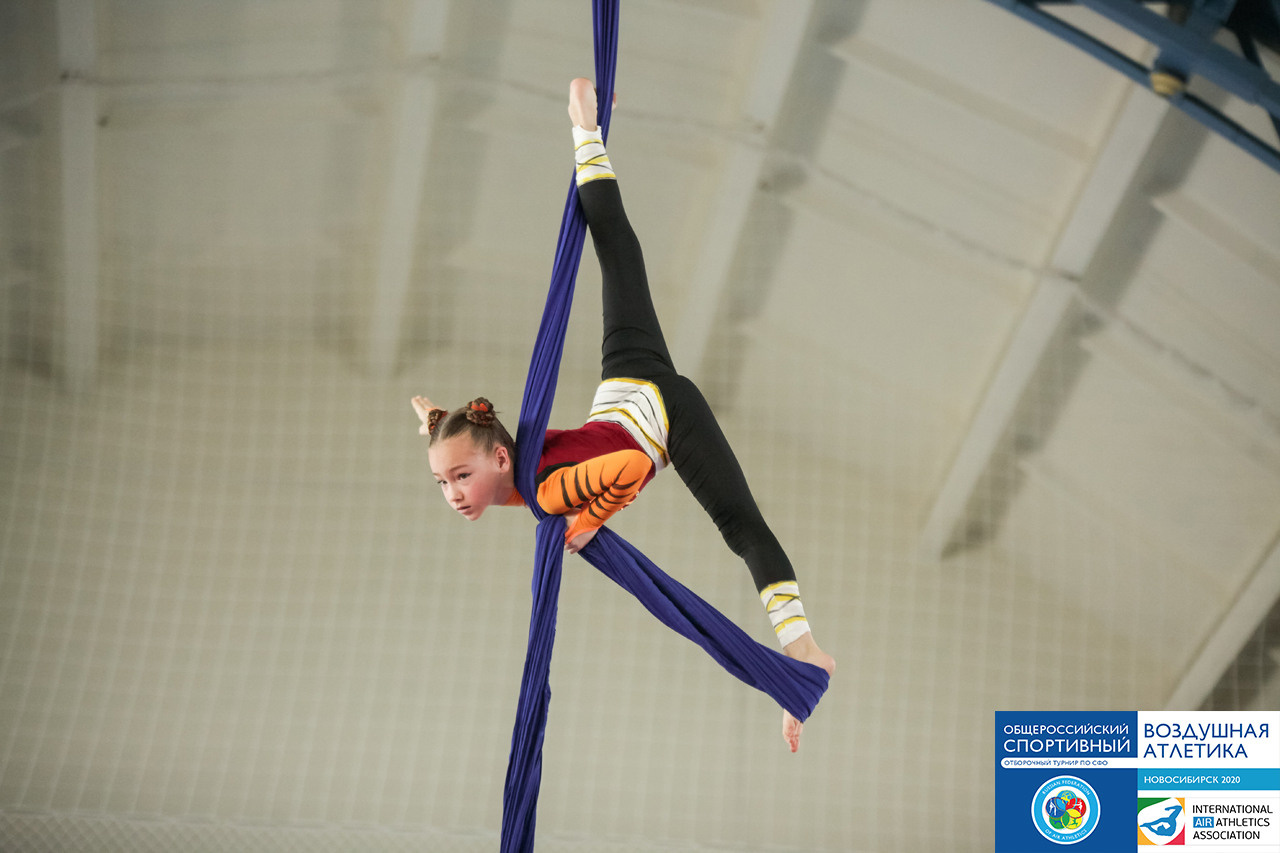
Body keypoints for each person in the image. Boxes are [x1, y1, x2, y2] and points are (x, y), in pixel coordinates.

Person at [413, 78, 834, 752]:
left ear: (498, 459)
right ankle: (586, 127)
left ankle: (805, 650)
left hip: (660, 416)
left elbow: (633, 465)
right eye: (442, 484)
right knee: (615, 250)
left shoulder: (547, 489)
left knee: (740, 524)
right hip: (623, 389)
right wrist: (433, 419)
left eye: (458, 478)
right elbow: (465, 434)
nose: (453, 495)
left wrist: (587, 521)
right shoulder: (498, 451)